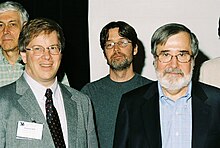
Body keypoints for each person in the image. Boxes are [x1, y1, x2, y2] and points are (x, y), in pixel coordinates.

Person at [113, 23, 220, 148]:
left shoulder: (217, 102)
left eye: (182, 54)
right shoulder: (131, 104)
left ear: (193, 60)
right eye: (165, 54)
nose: (174, 65)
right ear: (155, 60)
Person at [0, 18, 98, 148]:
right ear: (23, 55)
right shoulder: (3, 102)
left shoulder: (81, 102)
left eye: (53, 48)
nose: (47, 56)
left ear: (61, 53)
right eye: (37, 49)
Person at [81, 21, 152, 148]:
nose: (116, 49)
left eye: (123, 42)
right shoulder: (89, 93)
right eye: (109, 44)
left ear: (135, 49)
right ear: (104, 53)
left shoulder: (152, 91)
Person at [0, 1, 69, 87]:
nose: (5, 31)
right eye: (0, 25)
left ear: (24, 27)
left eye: (12, 24)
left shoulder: (45, 63)